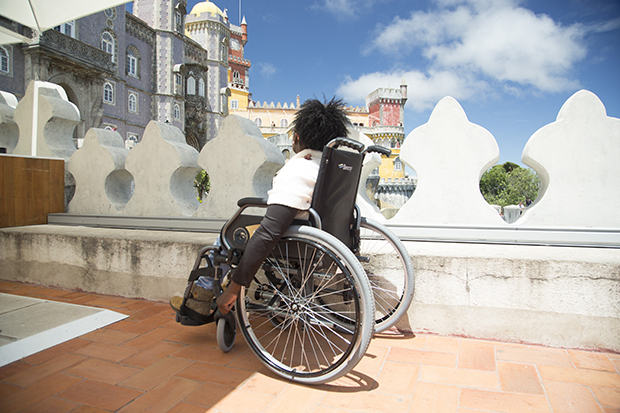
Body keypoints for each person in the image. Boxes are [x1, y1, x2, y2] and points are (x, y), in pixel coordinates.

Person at [170, 97, 351, 319]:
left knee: (226, 236)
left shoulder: (298, 169)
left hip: (296, 243)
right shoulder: (330, 168)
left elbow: (270, 231)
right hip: (323, 237)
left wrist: (233, 291)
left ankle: (198, 301)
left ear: (296, 137)